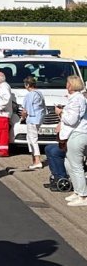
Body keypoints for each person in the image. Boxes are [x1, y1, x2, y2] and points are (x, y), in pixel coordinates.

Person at [59, 75, 87, 206]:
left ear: (71, 85)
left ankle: (83, 196)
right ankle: (77, 191)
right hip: (72, 134)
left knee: (76, 166)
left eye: (67, 83)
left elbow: (72, 120)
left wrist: (60, 113)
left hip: (78, 134)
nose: (66, 85)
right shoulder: (75, 98)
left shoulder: (78, 99)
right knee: (68, 163)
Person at [21, 76, 46, 169]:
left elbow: (25, 110)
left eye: (25, 84)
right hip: (39, 118)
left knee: (32, 139)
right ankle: (35, 160)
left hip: (32, 118)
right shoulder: (39, 93)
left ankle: (37, 160)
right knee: (31, 138)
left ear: (27, 85)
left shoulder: (29, 95)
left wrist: (22, 118)